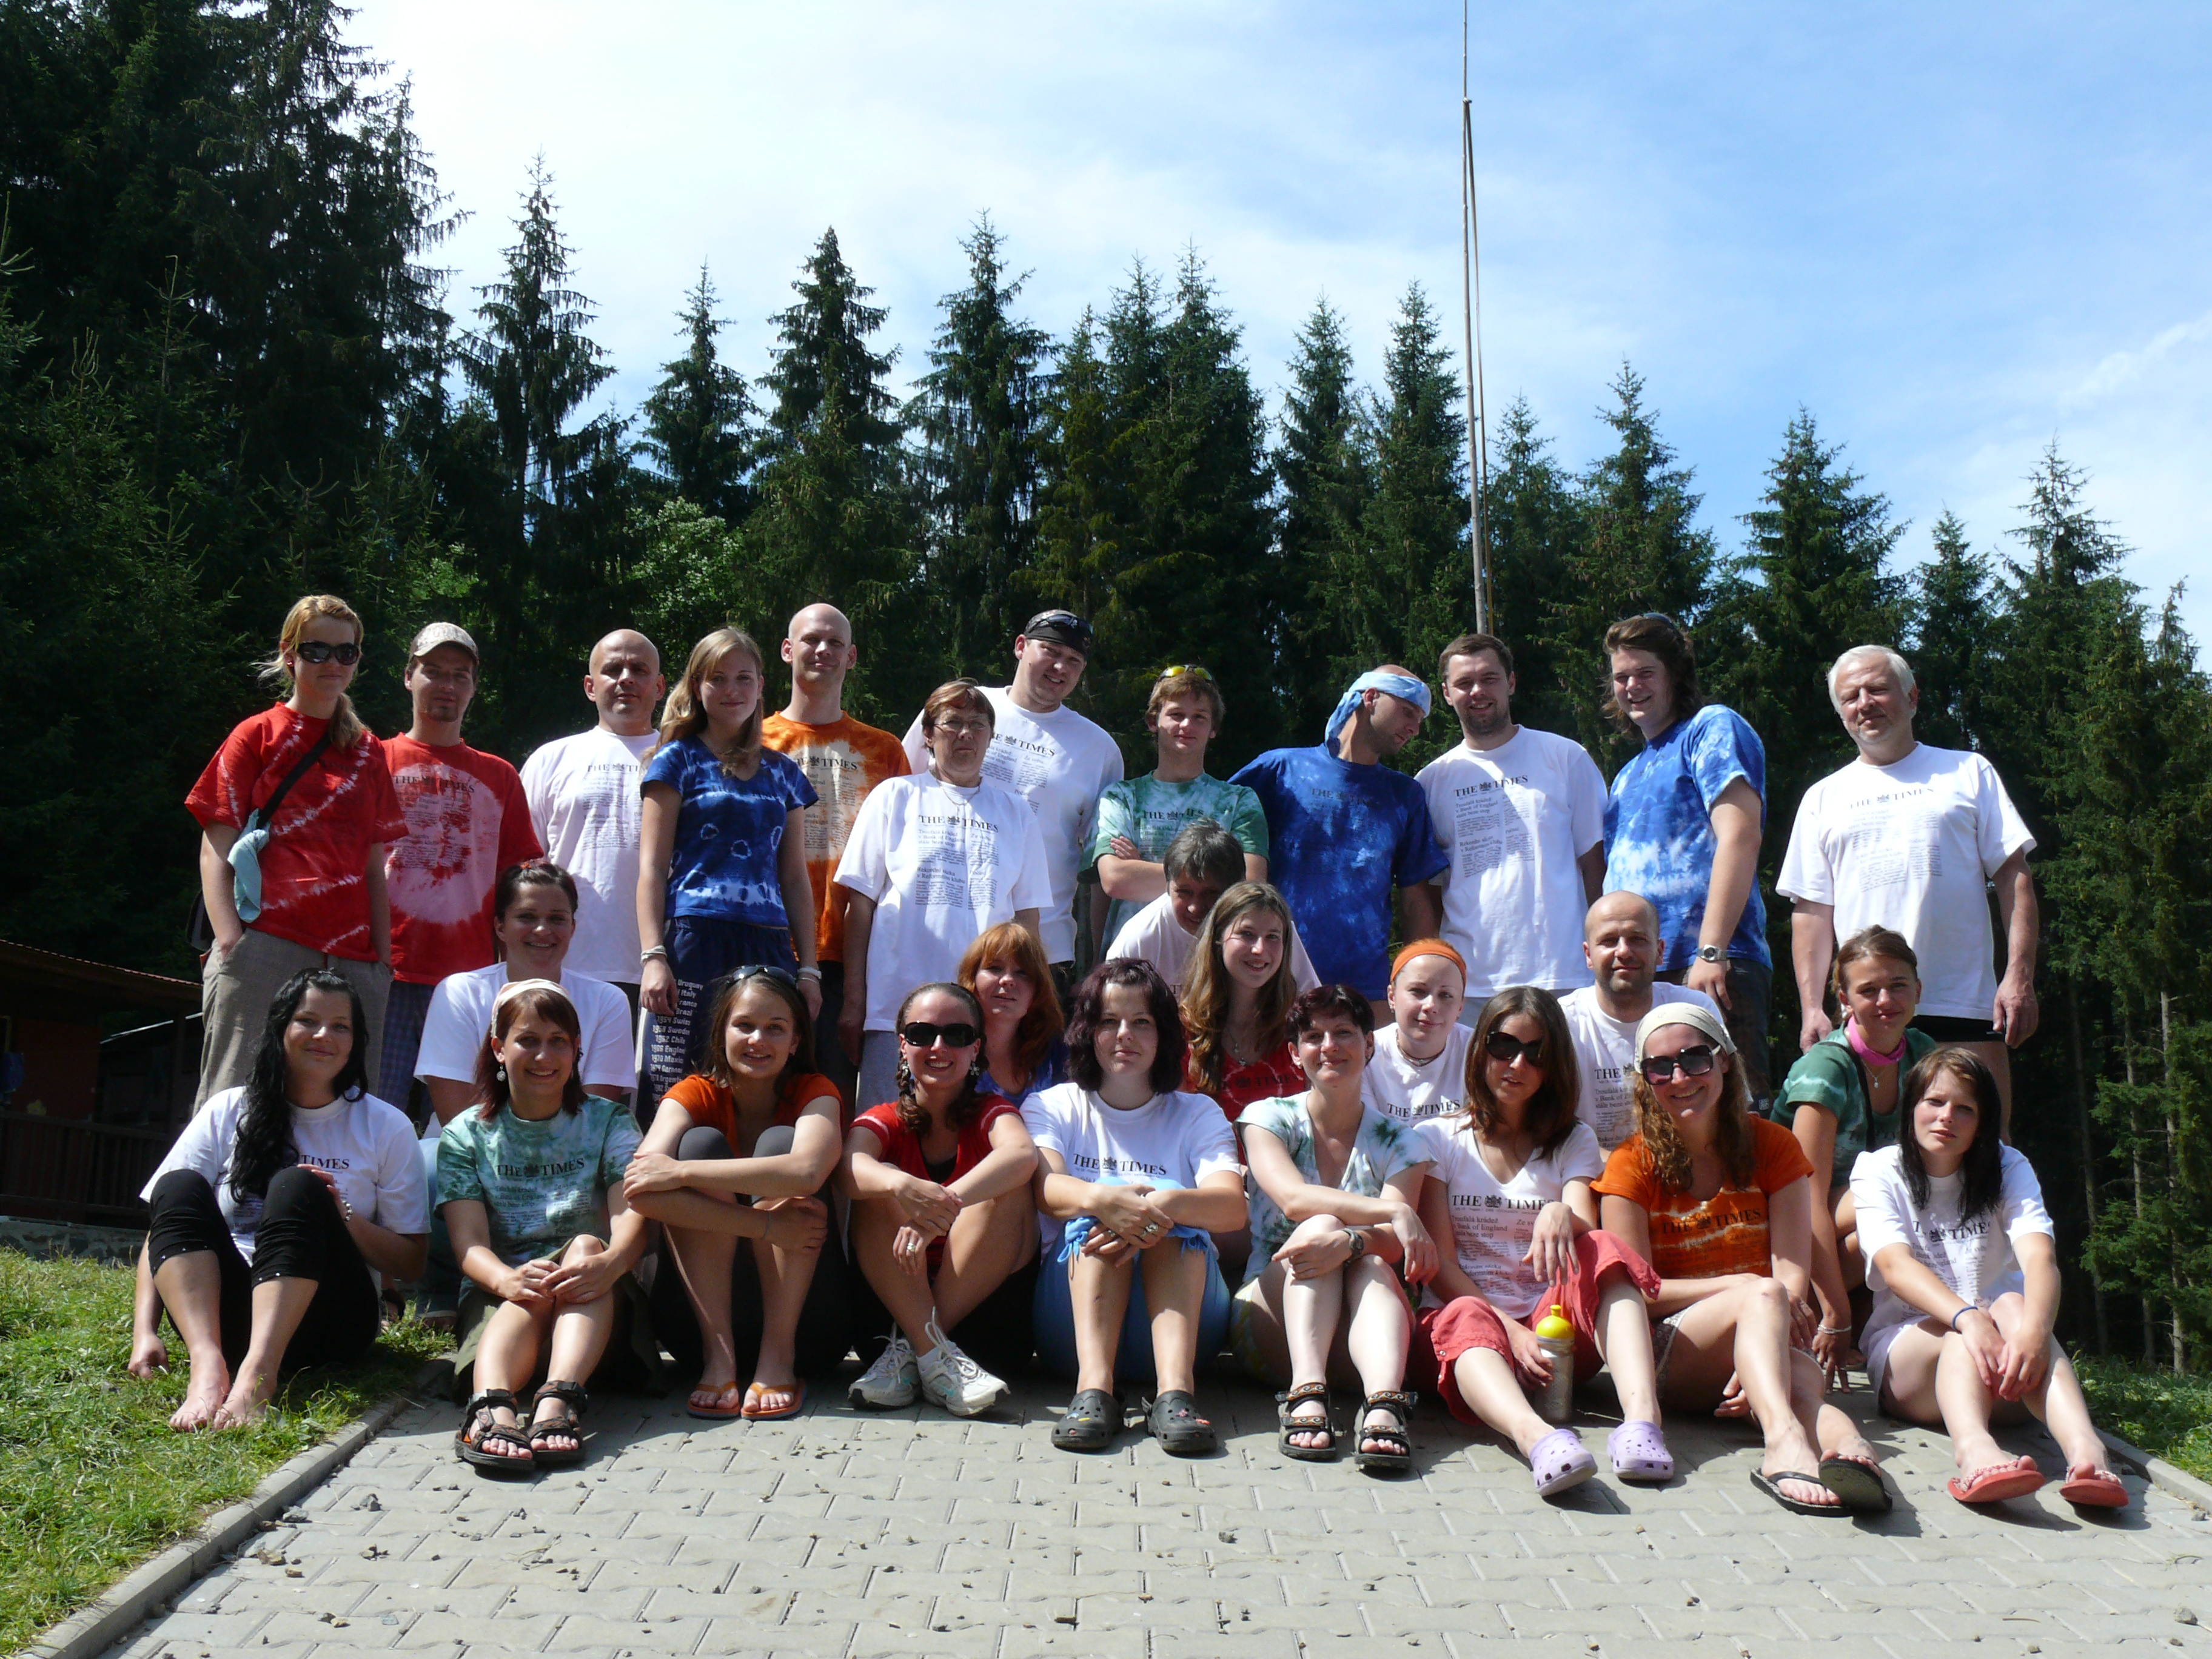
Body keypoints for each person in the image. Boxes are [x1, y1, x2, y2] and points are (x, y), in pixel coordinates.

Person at [1595, 1004, 1888, 1515]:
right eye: (1661, 1068)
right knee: (1766, 1295)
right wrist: (1741, 1286)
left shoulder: (1773, 1146)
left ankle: (1854, 1455)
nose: (1680, 1078)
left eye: (1695, 1058)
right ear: (1646, 1081)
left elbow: (1792, 1271)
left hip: (1764, 1324)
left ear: (1725, 1061)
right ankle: (1782, 1443)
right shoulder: (1630, 1165)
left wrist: (1761, 1343)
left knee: (1804, 1389)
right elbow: (1641, 1294)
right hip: (1674, 1350)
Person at [130, 970, 427, 1430]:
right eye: (308, 1020)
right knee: (179, 1183)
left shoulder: (387, 1126)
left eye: (341, 1026)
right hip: (229, 1314)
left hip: (328, 1322)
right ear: (280, 1028)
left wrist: (342, 1217)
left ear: (356, 1042)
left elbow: (411, 1263)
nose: (324, 1036)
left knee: (298, 1186)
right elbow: (168, 1226)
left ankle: (258, 1377)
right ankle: (207, 1366)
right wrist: (145, 1331)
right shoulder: (228, 1109)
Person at [1414, 987, 1669, 1496]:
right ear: (1480, 1049)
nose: (1517, 1064)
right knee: (1466, 1313)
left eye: (1537, 1053)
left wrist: (1560, 1212)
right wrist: (1510, 1332)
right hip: (1467, 1330)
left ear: (1555, 1065)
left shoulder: (1573, 1139)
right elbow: (1440, 1267)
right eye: (1504, 1046)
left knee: (1604, 1248)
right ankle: (1539, 1441)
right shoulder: (1437, 1138)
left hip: (1553, 1334)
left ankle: (1643, 1423)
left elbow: (1582, 1216)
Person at [1851, 1048, 2127, 1508]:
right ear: (1911, 1107)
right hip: (1911, 1363)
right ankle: (1976, 1453)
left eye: (1965, 1108)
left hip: (2007, 1370)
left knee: (2016, 1307)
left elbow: (2041, 1258)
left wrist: (2035, 1334)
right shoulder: (1879, 1170)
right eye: (1934, 1102)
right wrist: (1966, 1317)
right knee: (1964, 1329)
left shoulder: (2008, 1166)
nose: (1947, 1117)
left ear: (1982, 1123)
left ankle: (2087, 1452)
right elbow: (1895, 1266)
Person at [1781, 645, 2039, 1122]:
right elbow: (1812, 912)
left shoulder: (1969, 772)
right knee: (1874, 1160)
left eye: (1878, 689)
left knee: (1985, 1153)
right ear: (1841, 713)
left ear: (1912, 697)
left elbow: (2014, 877)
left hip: (1963, 1006)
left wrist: (2019, 976)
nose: (1865, 703)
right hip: (1870, 1015)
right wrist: (1812, 1007)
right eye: (1851, 697)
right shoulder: (1823, 798)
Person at [189, 595, 407, 1105]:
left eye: (346, 652)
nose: (333, 663)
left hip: (353, 959)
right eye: (317, 650)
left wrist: (381, 961)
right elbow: (214, 850)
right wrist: (231, 944)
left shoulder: (368, 752)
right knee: (235, 1100)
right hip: (266, 943)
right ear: (290, 655)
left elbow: (373, 867)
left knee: (348, 1110)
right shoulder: (256, 735)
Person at [1025, 960, 1245, 1455]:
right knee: (1100, 1202)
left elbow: (1232, 1208)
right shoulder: (1054, 1105)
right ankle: (1093, 1390)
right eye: (1109, 1021)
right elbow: (1047, 1191)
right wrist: (1104, 1200)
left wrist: (1159, 1204)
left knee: (1172, 1209)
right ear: (1088, 1032)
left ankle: (1176, 1395)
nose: (1124, 1035)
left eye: (1141, 1022)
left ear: (1164, 1034)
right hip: (1070, 1328)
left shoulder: (1198, 1112)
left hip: (1187, 1330)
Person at [437, 979, 650, 1474]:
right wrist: (507, 1280)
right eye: (527, 1040)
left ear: (577, 1051)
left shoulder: (611, 1121)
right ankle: (492, 1408)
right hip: (503, 1297)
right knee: (531, 1284)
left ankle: (558, 1402)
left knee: (585, 1246)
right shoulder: (464, 1134)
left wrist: (612, 1263)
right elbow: (469, 1245)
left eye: (558, 1042)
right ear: (498, 1048)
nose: (543, 1056)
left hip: (594, 1297)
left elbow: (631, 1217)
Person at [623, 968, 843, 1421]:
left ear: (796, 1041)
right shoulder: (692, 1094)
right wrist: (765, 1226)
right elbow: (640, 1190)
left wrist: (681, 1172)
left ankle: (777, 1358)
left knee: (779, 1146)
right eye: (744, 1025)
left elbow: (805, 1172)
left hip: (811, 1331)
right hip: (692, 1331)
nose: (757, 1040)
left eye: (775, 1028)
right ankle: (718, 1358)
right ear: (721, 1032)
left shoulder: (816, 1092)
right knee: (699, 1142)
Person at [1233, 985, 1435, 1472]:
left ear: (1369, 1045)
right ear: (1294, 1052)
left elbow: (1395, 1245)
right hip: (1275, 1327)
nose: (1329, 1047)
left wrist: (1352, 1240)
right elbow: (1293, 1199)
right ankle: (1305, 1392)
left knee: (1368, 1259)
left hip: (1366, 1339)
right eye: (1313, 1037)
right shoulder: (1267, 1118)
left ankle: (1384, 1404)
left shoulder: (1402, 1142)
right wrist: (1389, 1212)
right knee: (1320, 1223)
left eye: (1344, 1033)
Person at [839, 680, 1051, 1112]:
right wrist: (854, 1000)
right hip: (893, 1006)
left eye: (977, 724)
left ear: (990, 737)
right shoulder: (893, 797)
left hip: (982, 1017)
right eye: (952, 723)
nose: (965, 734)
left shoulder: (1016, 813)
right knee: (888, 1127)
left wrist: (1024, 1006)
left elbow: (1027, 920)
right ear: (928, 735)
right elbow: (859, 906)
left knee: (970, 1131)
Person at [638, 628, 820, 1102]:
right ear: (697, 686)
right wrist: (654, 957)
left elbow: (794, 878)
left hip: (768, 943)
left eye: (743, 678)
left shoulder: (785, 773)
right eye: (717, 678)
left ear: (761, 685)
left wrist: (809, 969)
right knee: (679, 1079)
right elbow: (652, 869)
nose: (731, 690)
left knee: (764, 1079)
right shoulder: (675, 761)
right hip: (694, 938)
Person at [1598, 614, 1773, 1107]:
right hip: (1644, 973)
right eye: (1621, 676)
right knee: (1658, 1124)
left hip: (1714, 965)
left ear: (1674, 674)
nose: (1632, 686)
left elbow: (1740, 835)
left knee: (1734, 1118)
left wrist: (1711, 951)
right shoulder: (1626, 775)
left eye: (1645, 673)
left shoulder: (1710, 727)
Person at [842, 982, 1040, 1416]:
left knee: (1007, 1187)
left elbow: (1022, 1154)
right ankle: (932, 1355)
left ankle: (921, 1350)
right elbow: (848, 1167)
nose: (938, 1047)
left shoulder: (992, 1112)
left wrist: (935, 1211)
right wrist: (898, 1185)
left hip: (983, 1333)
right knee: (877, 1184)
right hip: (887, 1323)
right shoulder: (885, 1119)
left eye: (957, 1035)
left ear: (976, 1049)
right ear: (902, 1045)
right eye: (921, 1034)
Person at [900, 609, 1123, 990]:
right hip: (931, 932)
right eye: (1050, 651)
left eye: (1074, 660)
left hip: (1039, 949)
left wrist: (1101, 959)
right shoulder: (963, 707)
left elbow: (1100, 868)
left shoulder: (1100, 749)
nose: (1060, 667)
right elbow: (901, 794)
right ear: (1021, 646)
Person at [378, 624, 543, 1111]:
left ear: (473, 687)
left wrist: (515, 972)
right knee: (373, 1112)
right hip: (385, 971)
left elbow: (516, 883)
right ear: (408, 677)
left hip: (470, 982)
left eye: (460, 675)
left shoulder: (500, 775)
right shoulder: (372, 760)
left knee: (470, 1125)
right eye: (433, 671)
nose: (446, 685)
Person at [1772, 926, 1936, 1385]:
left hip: (1865, 1220)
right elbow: (1804, 1199)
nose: (1886, 1000)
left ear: (1918, 990)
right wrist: (1836, 1313)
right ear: (1844, 999)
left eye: (1898, 985)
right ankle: (1813, 1315)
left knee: (1911, 1199)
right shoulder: (1827, 1070)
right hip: (1790, 1227)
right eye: (1868, 990)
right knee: (1888, 1202)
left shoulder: (1923, 1055)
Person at [761, 603, 911, 1094]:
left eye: (835, 643)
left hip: (850, 952)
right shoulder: (754, 741)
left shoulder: (884, 750)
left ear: (852, 657)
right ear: (788, 650)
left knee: (834, 1096)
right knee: (761, 1091)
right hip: (767, 939)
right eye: (810, 640)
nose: (822, 650)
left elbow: (903, 860)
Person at [1231, 667, 1447, 1003]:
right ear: (1371, 698)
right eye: (1408, 711)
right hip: (1270, 979)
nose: (1415, 729)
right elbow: (1215, 845)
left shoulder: (1405, 796)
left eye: (1420, 719)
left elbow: (1416, 900)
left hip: (1364, 991)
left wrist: (1419, 980)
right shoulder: (1281, 770)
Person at [1415, 635, 1606, 1007]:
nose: (1478, 691)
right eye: (1464, 683)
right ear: (1447, 694)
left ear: (1511, 683)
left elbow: (1595, 865)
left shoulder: (1566, 758)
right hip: (1469, 986)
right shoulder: (1431, 782)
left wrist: (1602, 950)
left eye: (1489, 678)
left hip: (1564, 974)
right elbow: (1429, 893)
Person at [415, 862, 636, 1131]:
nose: (543, 930)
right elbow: (456, 1117)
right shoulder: (458, 993)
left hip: (571, 1152)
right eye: (527, 917)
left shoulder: (608, 1002)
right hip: (469, 1149)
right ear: (500, 927)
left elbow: (595, 1119)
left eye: (557, 919)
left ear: (573, 928)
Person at [519, 629, 666, 1006]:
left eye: (639, 670)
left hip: (662, 971)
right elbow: (522, 872)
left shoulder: (684, 761)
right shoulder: (550, 760)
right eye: (613, 669)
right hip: (563, 966)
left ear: (660, 687)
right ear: (589, 686)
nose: (626, 679)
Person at [1090, 665, 1267, 948]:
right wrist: (1214, 880)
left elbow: (1248, 888)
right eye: (1176, 714)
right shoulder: (1121, 797)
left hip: (1210, 959)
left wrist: (1141, 868)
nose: (1187, 725)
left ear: (1213, 729)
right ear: (1153, 721)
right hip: (1132, 959)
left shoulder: (1239, 801)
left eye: (1199, 717)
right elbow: (1114, 880)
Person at [1557, 893, 1721, 1152]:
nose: (1623, 951)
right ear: (1588, 955)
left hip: (1687, 1161)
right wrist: (1622, 1170)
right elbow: (1548, 1127)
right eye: (1609, 941)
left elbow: (1727, 1103)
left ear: (1660, 951)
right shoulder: (1562, 1022)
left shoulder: (1694, 1010)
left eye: (1637, 939)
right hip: (1590, 1167)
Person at [1105, 822, 1319, 993]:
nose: (1195, 908)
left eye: (1211, 895)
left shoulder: (1270, 931)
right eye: (1184, 892)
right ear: (1169, 886)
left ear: (1236, 889)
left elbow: (1310, 1003)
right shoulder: (1139, 939)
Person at [1179, 882, 1307, 1127]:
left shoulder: (1300, 1027)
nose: (1260, 949)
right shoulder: (1182, 1031)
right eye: (1247, 934)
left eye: (1273, 937)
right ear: (1219, 937)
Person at [1361, 940, 1473, 1141]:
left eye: (1446, 995)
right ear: (1392, 997)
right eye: (1418, 991)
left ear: (1460, 1007)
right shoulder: (1365, 1053)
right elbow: (1369, 1139)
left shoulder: (1478, 1052)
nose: (1431, 1005)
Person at [958, 921, 1068, 1107]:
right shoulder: (949, 1045)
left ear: (1038, 989)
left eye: (1022, 973)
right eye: (995, 968)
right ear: (972, 978)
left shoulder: (1053, 1049)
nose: (1008, 980)